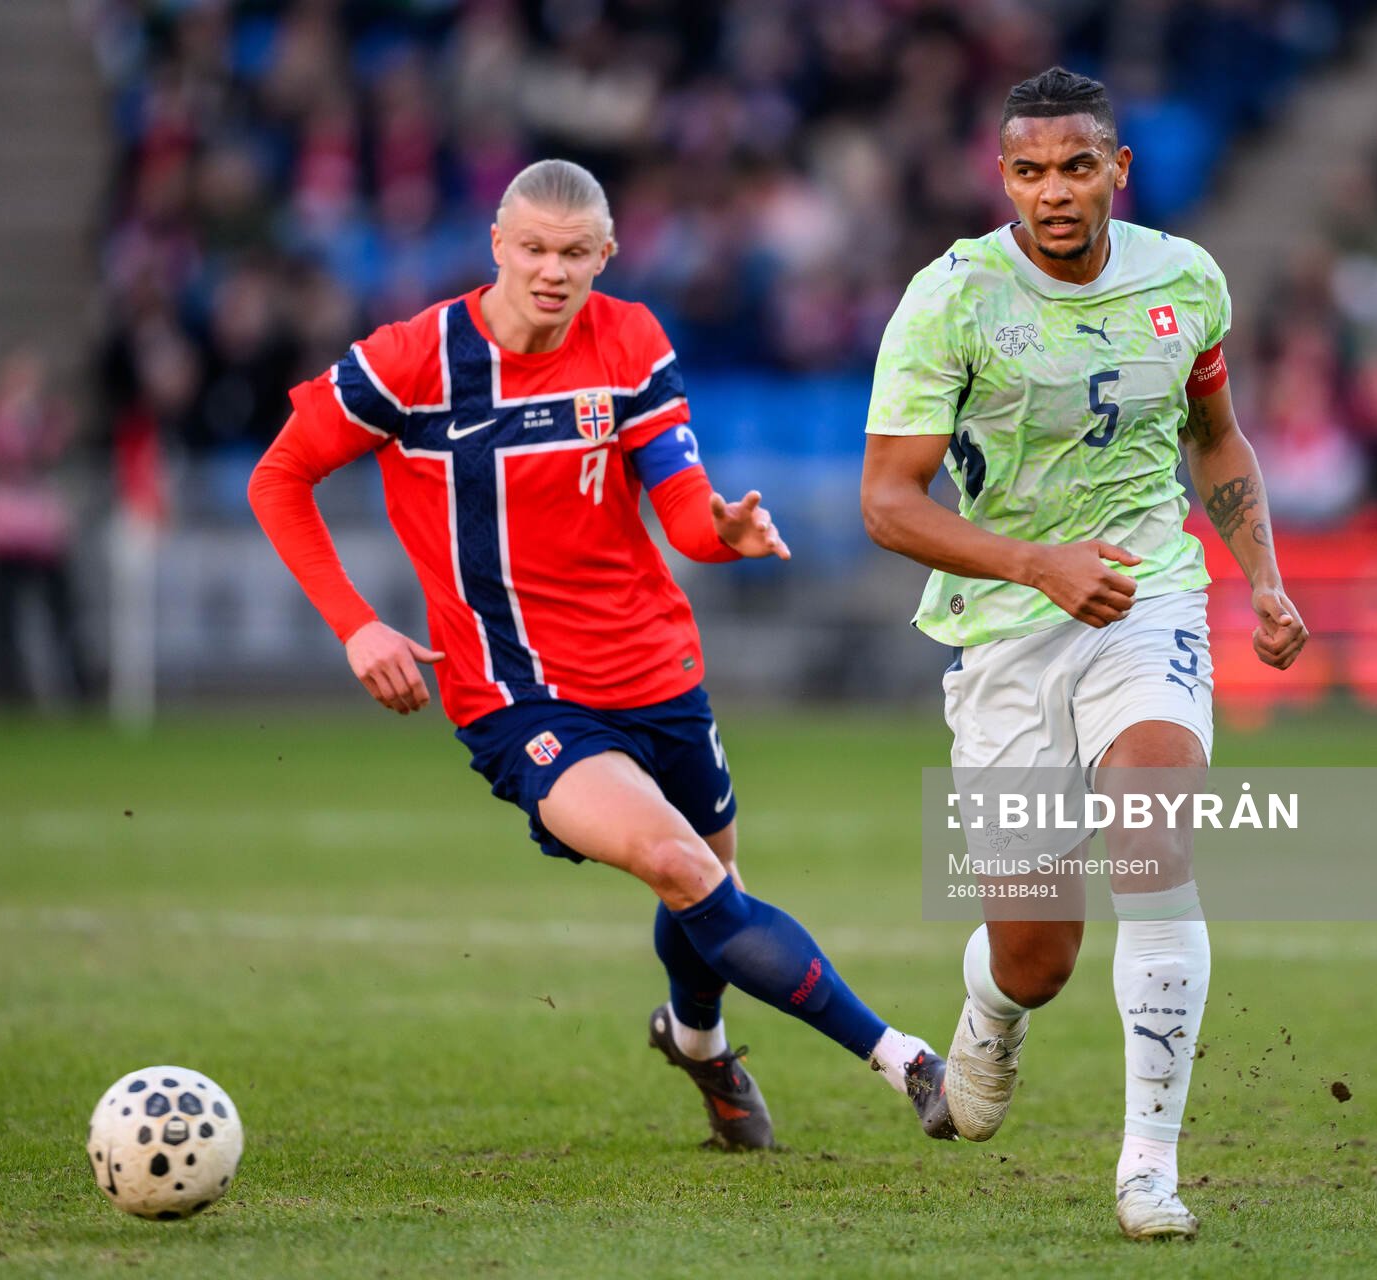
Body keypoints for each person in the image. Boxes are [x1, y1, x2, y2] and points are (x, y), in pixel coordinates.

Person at [249, 158, 942, 1152]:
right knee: (680, 862)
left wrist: (723, 530)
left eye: (575, 252)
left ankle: (698, 1042)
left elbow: (681, 511)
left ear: (606, 256)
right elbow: (279, 478)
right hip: (521, 698)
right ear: (497, 243)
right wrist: (356, 622)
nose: (551, 269)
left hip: (659, 674)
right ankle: (906, 1059)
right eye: (531, 247)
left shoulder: (629, 341)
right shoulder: (412, 359)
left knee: (704, 886)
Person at [859, 69, 1310, 1239]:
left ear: (1120, 168)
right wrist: (1034, 562)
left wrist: (1261, 578)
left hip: (1148, 590)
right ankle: (988, 1020)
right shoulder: (950, 298)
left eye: (1074, 166)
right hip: (1007, 628)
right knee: (1038, 950)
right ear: (999, 175)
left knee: (1154, 832)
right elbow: (889, 503)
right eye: (1027, 170)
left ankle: (1149, 1167)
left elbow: (1215, 436)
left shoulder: (1186, 278)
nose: (1052, 192)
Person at [0, 346, 92, 707]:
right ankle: (9, 690)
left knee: (62, 611)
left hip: (42, 528)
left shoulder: (49, 416)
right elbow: (4, 454)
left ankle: (75, 686)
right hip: (6, 528)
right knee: (4, 615)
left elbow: (52, 452)